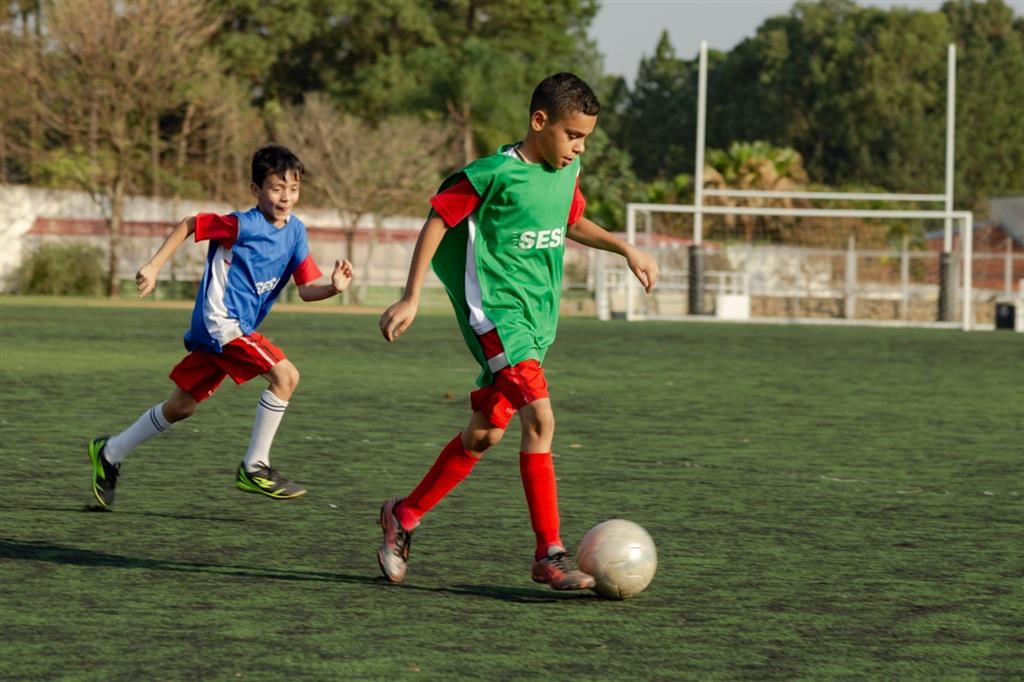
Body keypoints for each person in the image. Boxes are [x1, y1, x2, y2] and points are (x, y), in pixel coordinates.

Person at [376, 72, 659, 590]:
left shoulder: (566, 174)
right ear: (539, 122)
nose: (579, 147)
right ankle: (549, 551)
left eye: (586, 139)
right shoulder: (492, 174)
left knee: (484, 435)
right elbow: (438, 219)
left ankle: (404, 514)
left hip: (536, 324)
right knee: (542, 421)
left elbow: (572, 222)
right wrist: (412, 295)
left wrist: (627, 249)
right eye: (573, 135)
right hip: (497, 318)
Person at [87, 144, 354, 509]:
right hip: (221, 323)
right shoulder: (240, 224)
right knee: (286, 377)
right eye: (276, 188)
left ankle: (111, 451)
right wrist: (153, 266)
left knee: (181, 407)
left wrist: (334, 288)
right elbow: (191, 224)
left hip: (231, 330)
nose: (285, 197)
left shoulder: (295, 234)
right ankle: (255, 466)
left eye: (293, 188)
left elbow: (307, 289)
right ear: (256, 190)